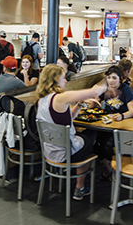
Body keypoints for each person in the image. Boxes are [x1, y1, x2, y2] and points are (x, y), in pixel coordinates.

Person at [36, 64, 107, 200]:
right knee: (91, 136)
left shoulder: (43, 100)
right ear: (55, 80)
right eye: (63, 78)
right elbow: (94, 92)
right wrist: (106, 80)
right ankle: (80, 187)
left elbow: (69, 118)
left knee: (85, 138)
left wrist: (79, 103)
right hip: (65, 153)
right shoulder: (60, 98)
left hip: (50, 151)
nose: (66, 81)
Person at [95, 65, 133, 179]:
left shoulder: (125, 89)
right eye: (108, 78)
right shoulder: (105, 89)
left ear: (120, 79)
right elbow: (94, 103)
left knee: (107, 145)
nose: (111, 81)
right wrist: (93, 100)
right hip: (107, 124)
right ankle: (109, 169)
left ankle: (113, 170)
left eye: (114, 78)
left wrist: (122, 116)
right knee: (94, 142)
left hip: (123, 125)